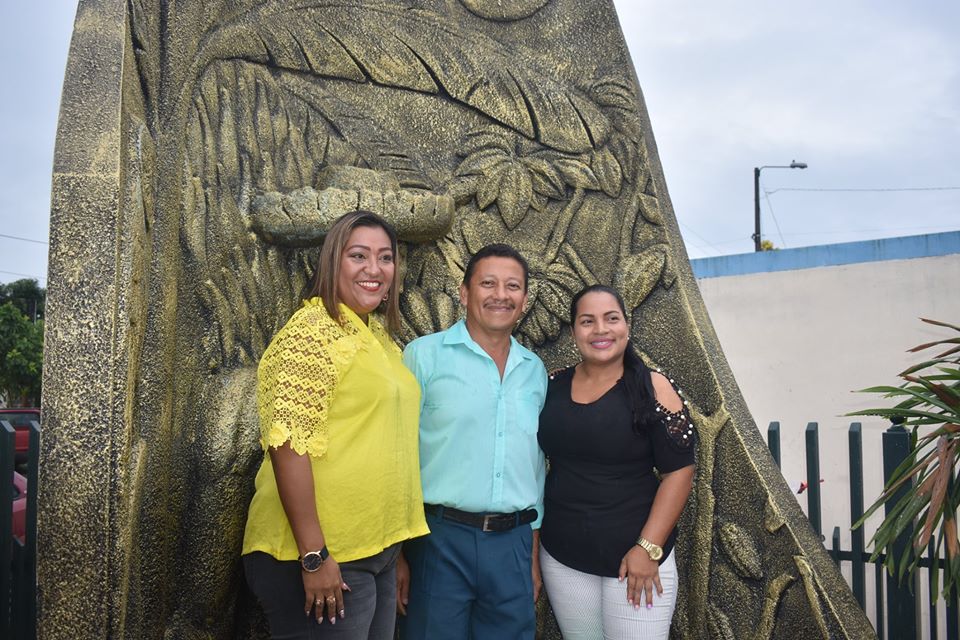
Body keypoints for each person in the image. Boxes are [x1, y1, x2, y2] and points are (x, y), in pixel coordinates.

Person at [241, 210, 429, 639]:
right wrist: (314, 556)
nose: (373, 269)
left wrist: (393, 552)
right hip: (322, 556)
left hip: (374, 552)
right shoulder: (310, 333)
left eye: (385, 258)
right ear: (332, 261)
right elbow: (288, 446)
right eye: (358, 255)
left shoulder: (378, 337)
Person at [397, 243, 547, 640]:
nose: (501, 295)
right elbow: (398, 456)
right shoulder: (423, 357)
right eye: (488, 283)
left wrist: (531, 555)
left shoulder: (534, 370)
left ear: (524, 300)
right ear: (464, 293)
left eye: (512, 286)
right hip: (438, 540)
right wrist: (396, 556)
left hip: (514, 544)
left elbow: (534, 465)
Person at [537, 284, 696, 640]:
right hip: (564, 558)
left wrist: (648, 548)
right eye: (587, 321)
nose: (601, 330)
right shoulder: (552, 386)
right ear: (574, 331)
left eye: (611, 319)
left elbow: (679, 472)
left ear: (627, 324)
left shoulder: (653, 387)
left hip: (636, 559)